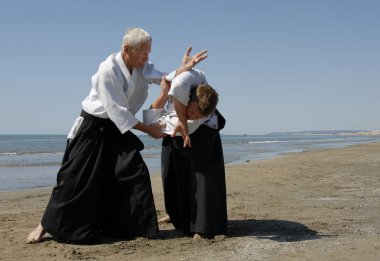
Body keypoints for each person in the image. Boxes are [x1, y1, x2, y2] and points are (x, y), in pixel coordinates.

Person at [26, 27, 207, 243]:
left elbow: (162, 78)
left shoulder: (141, 66)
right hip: (92, 128)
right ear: (126, 49)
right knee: (73, 178)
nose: (147, 58)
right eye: (143, 53)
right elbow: (118, 112)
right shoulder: (107, 70)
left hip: (115, 129)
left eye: (149, 53)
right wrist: (149, 129)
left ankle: (135, 228)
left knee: (134, 171)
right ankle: (45, 224)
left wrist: (182, 69)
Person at [156, 68, 228, 239]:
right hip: (175, 124)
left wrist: (184, 124)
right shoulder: (188, 82)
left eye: (196, 114)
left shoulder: (201, 118)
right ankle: (176, 215)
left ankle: (203, 227)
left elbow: (185, 123)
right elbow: (173, 79)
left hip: (203, 135)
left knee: (200, 174)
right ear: (191, 98)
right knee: (171, 171)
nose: (192, 115)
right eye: (193, 111)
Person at [142, 68, 219, 139]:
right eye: (192, 111)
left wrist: (163, 94)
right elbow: (181, 80)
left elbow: (150, 124)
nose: (191, 117)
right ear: (188, 97)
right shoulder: (196, 82)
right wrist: (182, 68)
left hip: (196, 138)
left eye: (196, 117)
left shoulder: (189, 123)